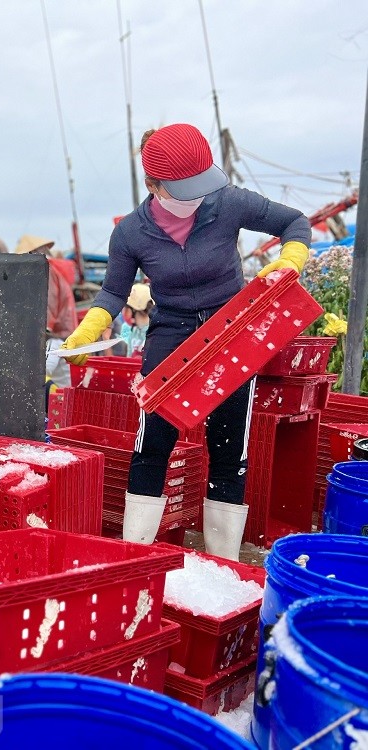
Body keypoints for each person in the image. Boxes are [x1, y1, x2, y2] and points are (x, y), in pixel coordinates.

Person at [60, 123, 311, 560]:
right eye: (183, 188)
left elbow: (294, 222)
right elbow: (115, 292)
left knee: (229, 447)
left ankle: (223, 562)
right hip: (171, 336)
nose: (197, 195)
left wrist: (291, 258)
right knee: (152, 444)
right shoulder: (130, 234)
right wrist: (93, 321)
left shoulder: (229, 203)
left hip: (232, 333)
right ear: (153, 185)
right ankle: (134, 555)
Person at [14, 235, 78, 388]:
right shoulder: (49, 272)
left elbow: (47, 311)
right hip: (60, 337)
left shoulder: (47, 274)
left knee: (40, 377)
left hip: (56, 338)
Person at [118, 282, 153, 356]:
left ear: (133, 310)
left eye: (126, 309)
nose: (124, 312)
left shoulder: (153, 333)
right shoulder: (134, 331)